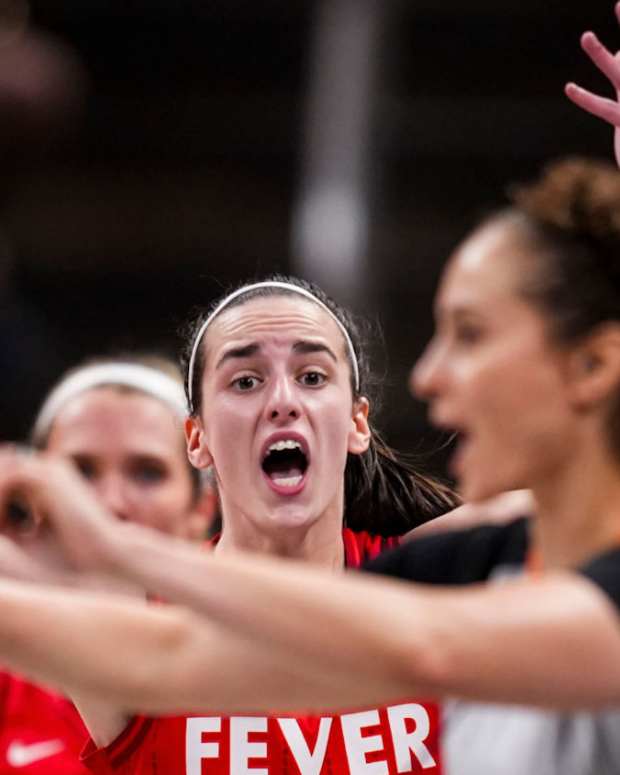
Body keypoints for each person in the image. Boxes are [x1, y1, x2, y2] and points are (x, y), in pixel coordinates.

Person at [0, 356, 215, 775]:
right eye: (79, 471)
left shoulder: (258, 671)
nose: (108, 504)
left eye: (147, 473)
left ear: (202, 509)